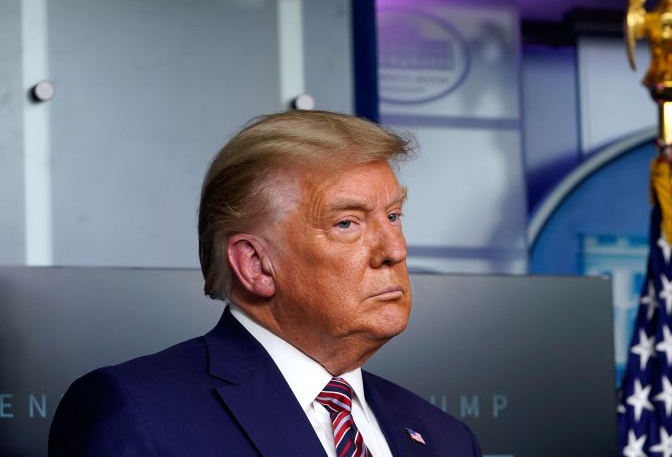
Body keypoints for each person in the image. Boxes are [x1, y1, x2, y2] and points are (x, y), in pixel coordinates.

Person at [48, 110, 482, 456]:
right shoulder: (137, 412)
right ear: (256, 265)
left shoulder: (446, 439)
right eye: (347, 223)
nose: (394, 249)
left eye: (393, 216)